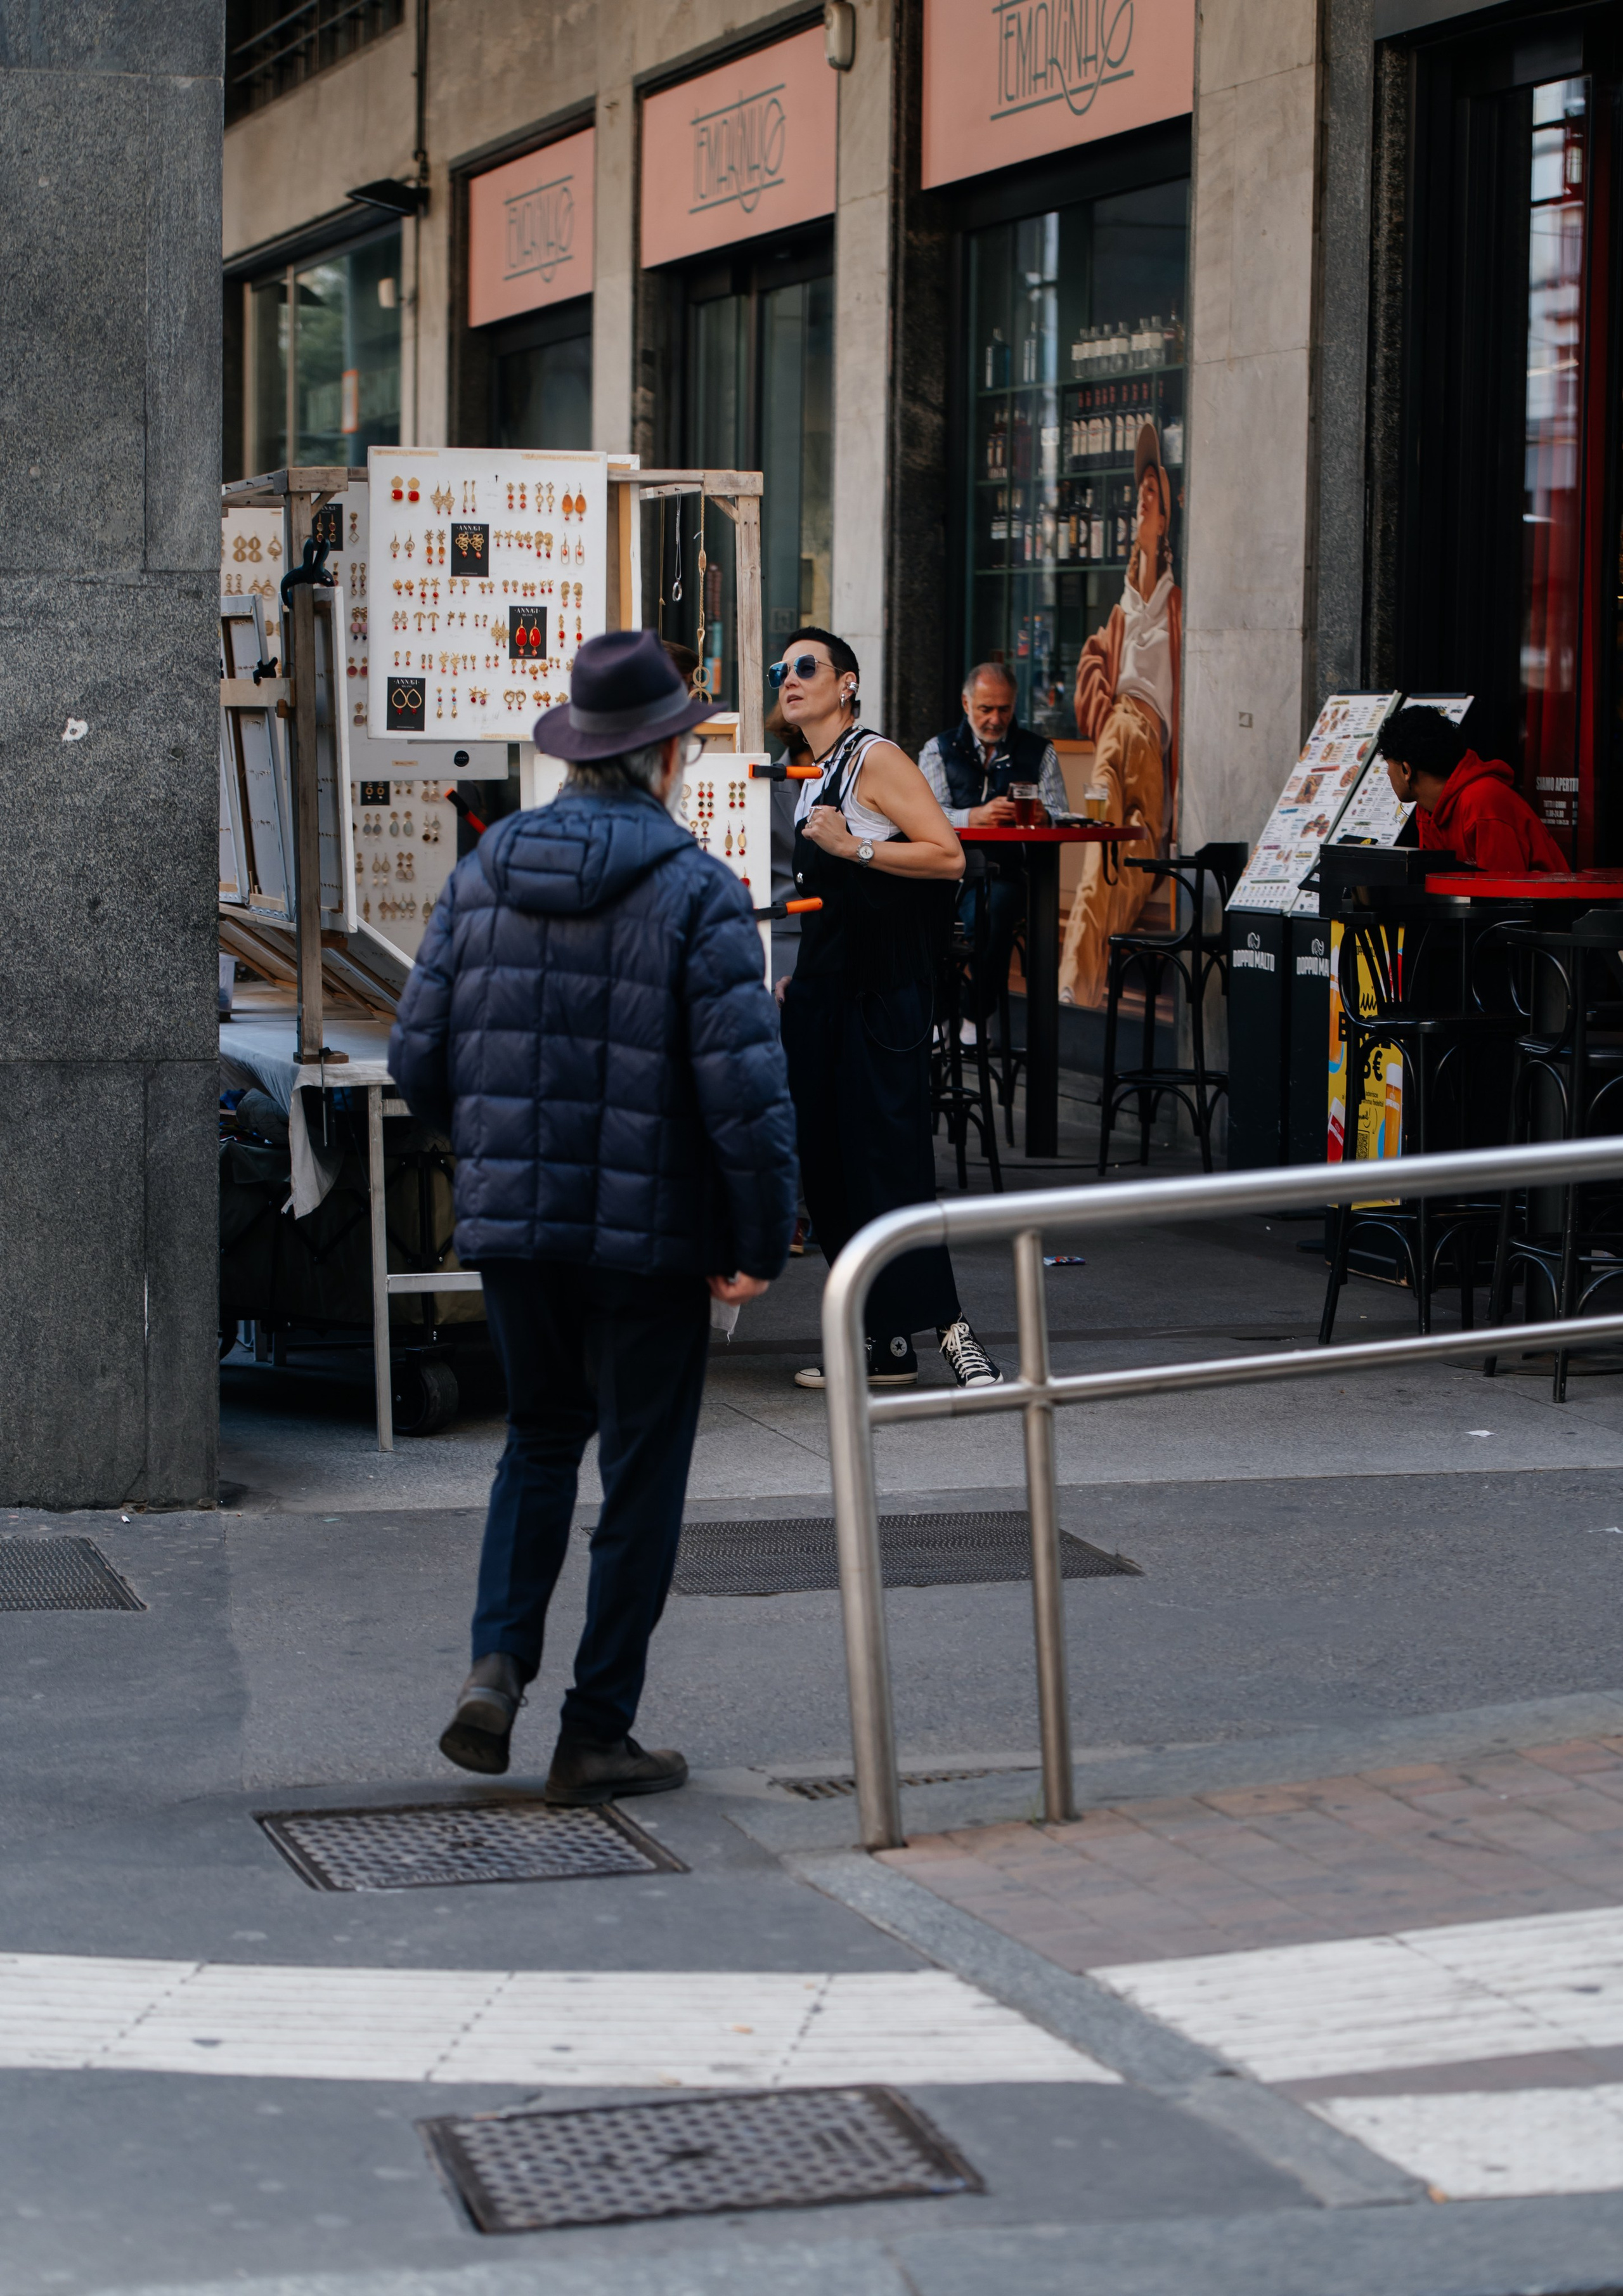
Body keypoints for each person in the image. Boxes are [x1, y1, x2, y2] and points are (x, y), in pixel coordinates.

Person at [389, 630, 798, 1797]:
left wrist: (499, 1144)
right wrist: (756, 1240)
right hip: (649, 1235)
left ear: (579, 754)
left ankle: (494, 1665)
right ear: (668, 755)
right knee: (643, 1472)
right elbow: (746, 1093)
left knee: (536, 1436)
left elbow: (420, 1054)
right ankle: (595, 1727)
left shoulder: (488, 865)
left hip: (516, 1223)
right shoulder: (696, 889)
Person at [772, 626, 1004, 1392]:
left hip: (881, 998)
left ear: (847, 684)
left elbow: (947, 856)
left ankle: (955, 1334)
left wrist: (857, 850)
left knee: (890, 1166)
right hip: (825, 995)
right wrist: (799, 979)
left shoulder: (875, 757)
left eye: (807, 667)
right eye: (783, 669)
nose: (790, 677)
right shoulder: (808, 771)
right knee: (829, 1169)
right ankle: (883, 1340)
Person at [1059, 422, 1182, 1008]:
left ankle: (1079, 986)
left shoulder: (1174, 604)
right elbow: (1089, 667)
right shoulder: (1124, 608)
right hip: (1116, 731)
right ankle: (1076, 989)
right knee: (1096, 847)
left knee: (1131, 858)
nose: (1142, 505)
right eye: (1139, 498)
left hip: (1151, 746)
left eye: (1151, 495)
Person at [919, 661, 1068, 1031]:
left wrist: (1044, 817)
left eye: (1004, 709)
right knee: (909, 908)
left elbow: (1062, 816)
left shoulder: (1039, 752)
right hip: (944, 871)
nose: (995, 719)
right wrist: (974, 818)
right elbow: (925, 816)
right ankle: (935, 1016)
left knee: (992, 910)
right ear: (966, 704)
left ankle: (974, 1014)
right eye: (986, 709)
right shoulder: (938, 750)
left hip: (1007, 873)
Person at [1375, 705, 1568, 874]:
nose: (1388, 774)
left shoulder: (1483, 801)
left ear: (1406, 770)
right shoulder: (1427, 809)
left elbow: (1501, 894)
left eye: (1388, 766)